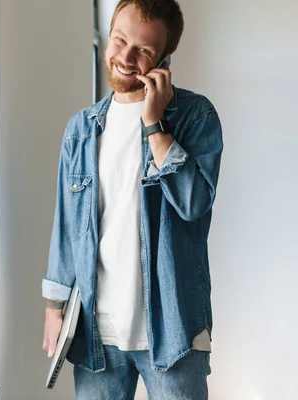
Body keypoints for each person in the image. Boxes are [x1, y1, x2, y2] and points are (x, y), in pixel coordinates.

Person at [41, 0, 223, 398]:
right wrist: (55, 306)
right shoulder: (81, 129)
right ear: (108, 38)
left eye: (143, 50)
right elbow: (67, 223)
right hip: (96, 330)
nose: (126, 57)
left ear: (164, 59)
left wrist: (155, 125)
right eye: (120, 39)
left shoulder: (195, 117)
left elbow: (193, 204)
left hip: (173, 329)